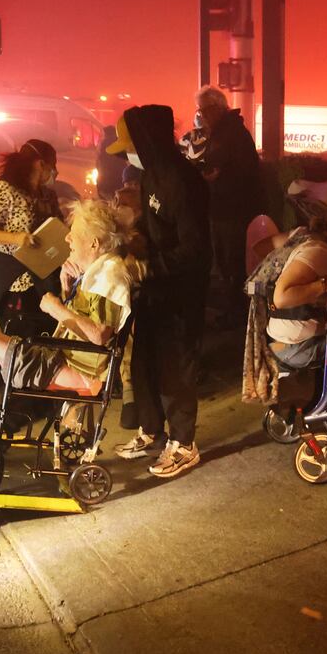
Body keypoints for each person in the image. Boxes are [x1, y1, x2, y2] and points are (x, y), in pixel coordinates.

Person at [0, 200, 136, 478]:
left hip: (79, 373)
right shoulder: (98, 271)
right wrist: (67, 291)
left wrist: (58, 308)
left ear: (93, 242)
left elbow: (100, 336)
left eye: (73, 233)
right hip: (65, 360)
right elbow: (88, 326)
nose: (67, 238)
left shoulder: (110, 274)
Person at [107, 104, 211, 479]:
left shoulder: (183, 182)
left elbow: (196, 249)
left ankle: (183, 443)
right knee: (145, 361)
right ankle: (151, 430)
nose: (126, 154)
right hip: (154, 287)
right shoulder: (151, 176)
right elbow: (153, 230)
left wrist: (153, 266)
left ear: (147, 140)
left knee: (175, 367)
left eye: (130, 145)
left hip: (181, 290)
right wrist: (131, 246)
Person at [242, 205, 327, 406]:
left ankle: (326, 391)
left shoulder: (302, 234)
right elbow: (281, 297)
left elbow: (261, 247)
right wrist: (323, 284)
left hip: (277, 335)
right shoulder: (319, 251)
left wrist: (285, 266)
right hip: (297, 344)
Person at [193, 85, 264, 326]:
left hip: (231, 211)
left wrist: (210, 177)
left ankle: (237, 316)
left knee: (231, 263)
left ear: (216, 108)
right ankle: (235, 312)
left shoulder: (228, 133)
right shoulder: (227, 131)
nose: (200, 115)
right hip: (228, 209)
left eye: (203, 110)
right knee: (228, 262)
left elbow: (222, 168)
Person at [0, 139, 62, 335]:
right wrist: (16, 238)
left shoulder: (47, 194)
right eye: (53, 166)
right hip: (15, 283)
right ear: (41, 164)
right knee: (19, 338)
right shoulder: (5, 190)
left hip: (45, 279)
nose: (55, 172)